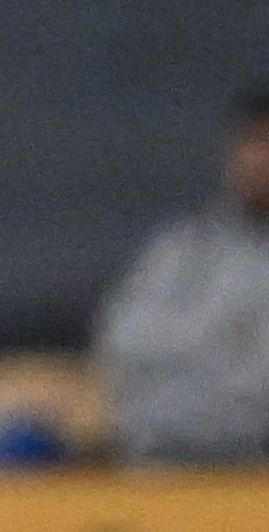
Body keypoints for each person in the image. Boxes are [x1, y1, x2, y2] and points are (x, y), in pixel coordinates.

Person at [92, 88, 269, 465]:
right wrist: (221, 346)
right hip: (166, 466)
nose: (259, 158)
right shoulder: (181, 251)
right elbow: (122, 348)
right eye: (252, 141)